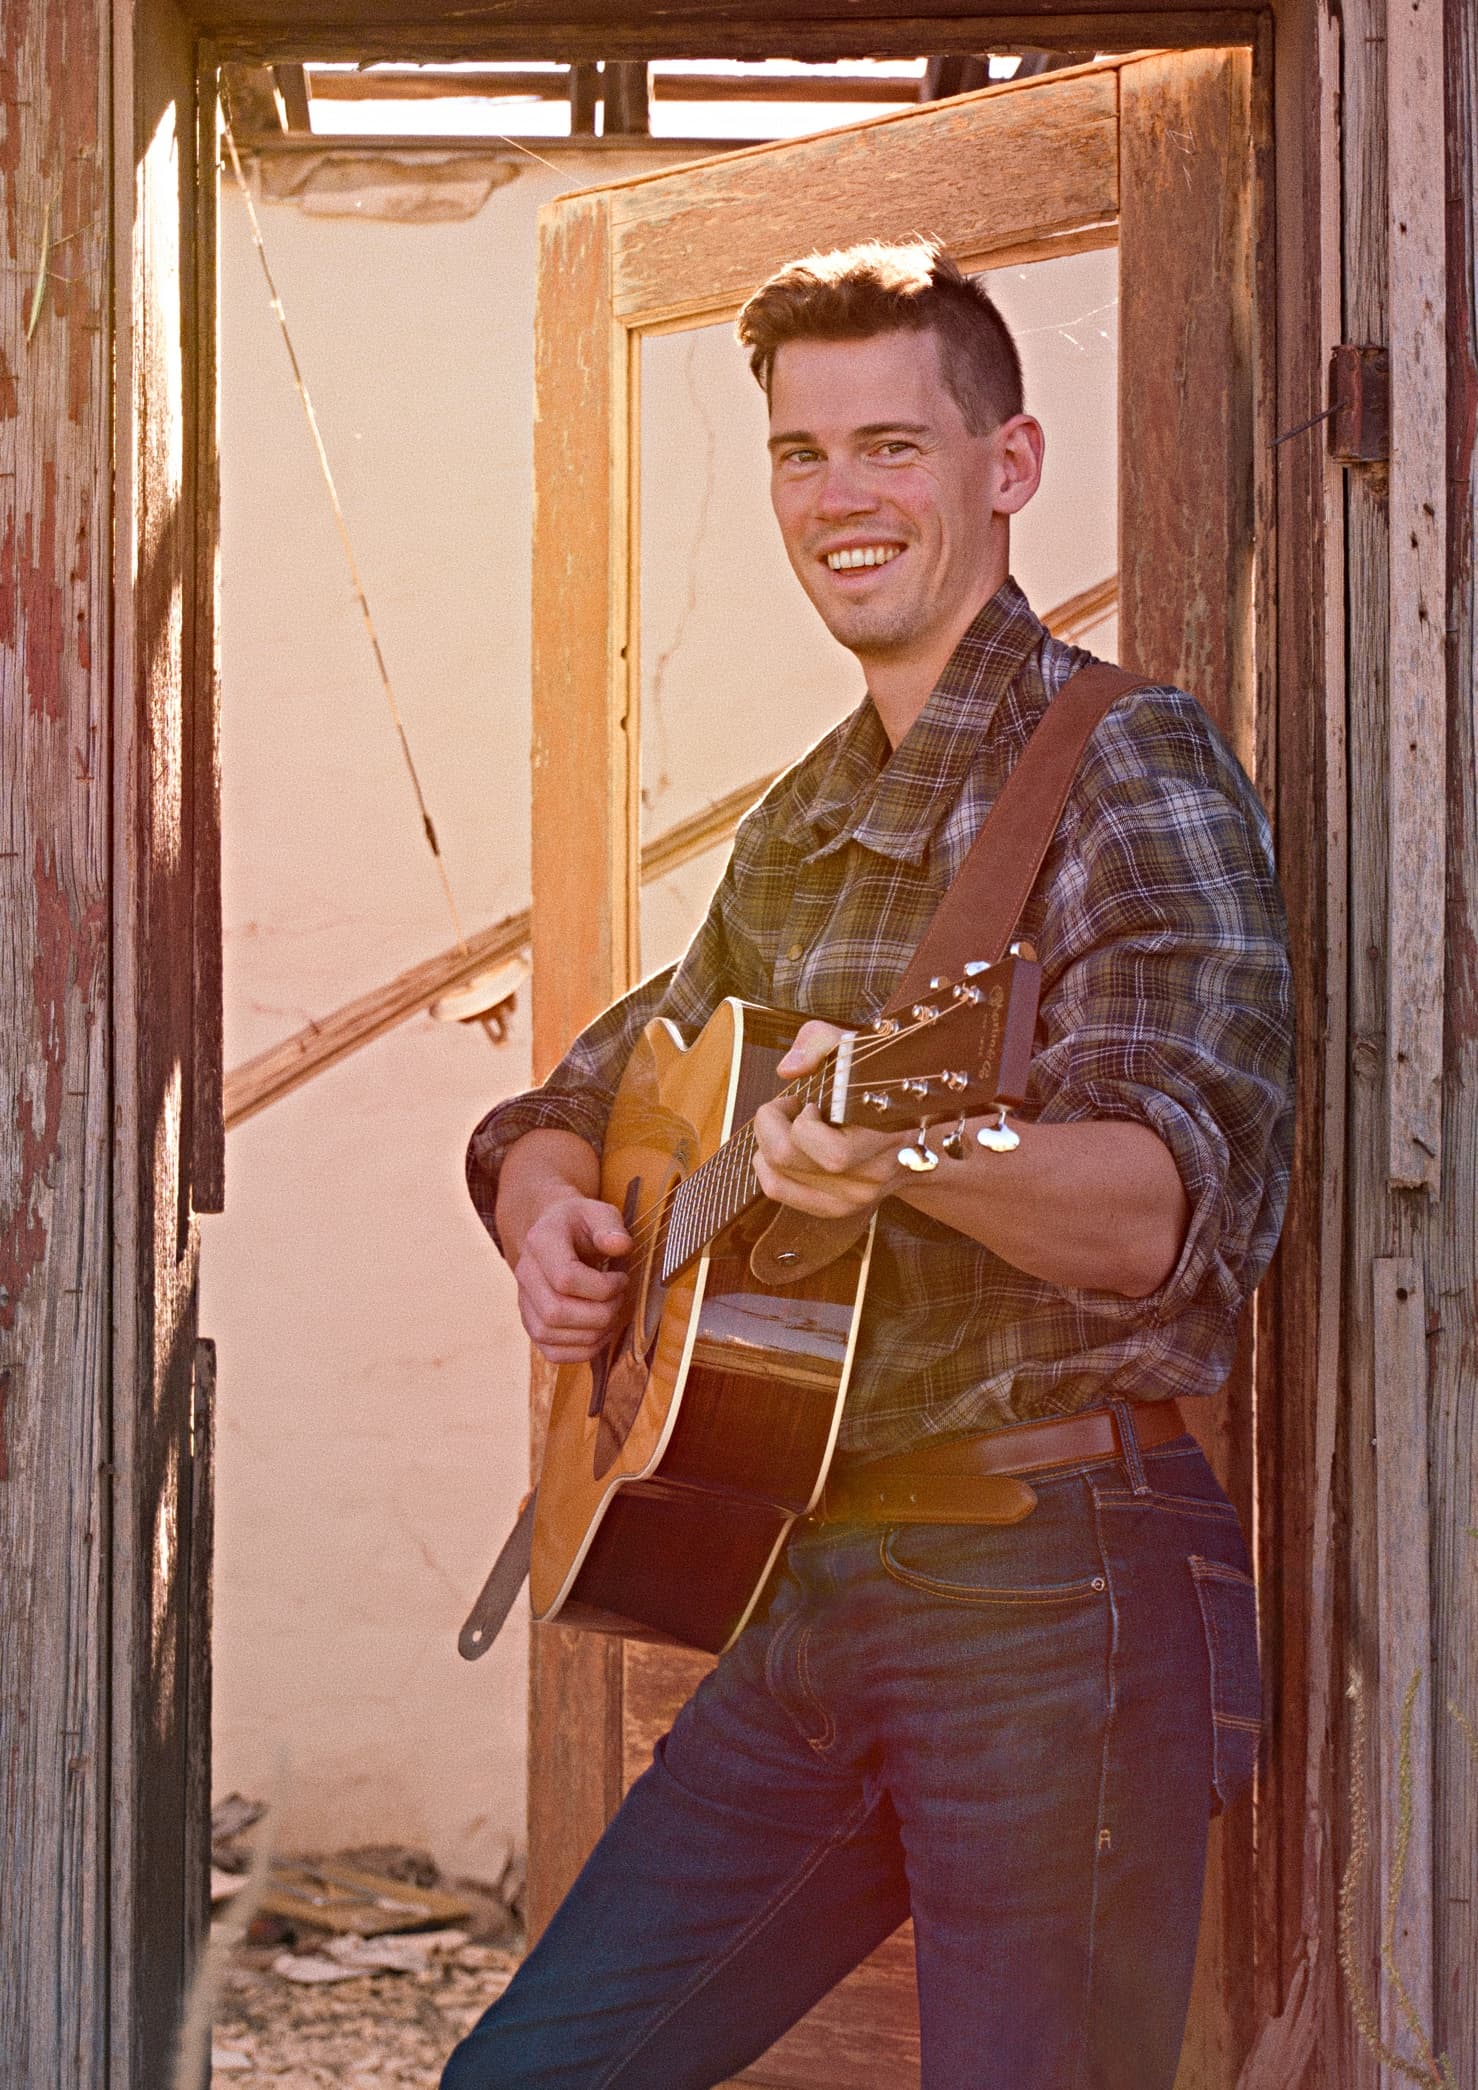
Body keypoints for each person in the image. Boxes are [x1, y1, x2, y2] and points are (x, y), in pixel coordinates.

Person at [444, 240, 1294, 2090]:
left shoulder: (1124, 763)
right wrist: (555, 1226)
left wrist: (916, 1149)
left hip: (1051, 1579)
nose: (841, 497)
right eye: (800, 453)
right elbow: (564, 1106)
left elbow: (1167, 1203)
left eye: (892, 444)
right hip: (813, 1578)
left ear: (1009, 464)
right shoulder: (804, 822)